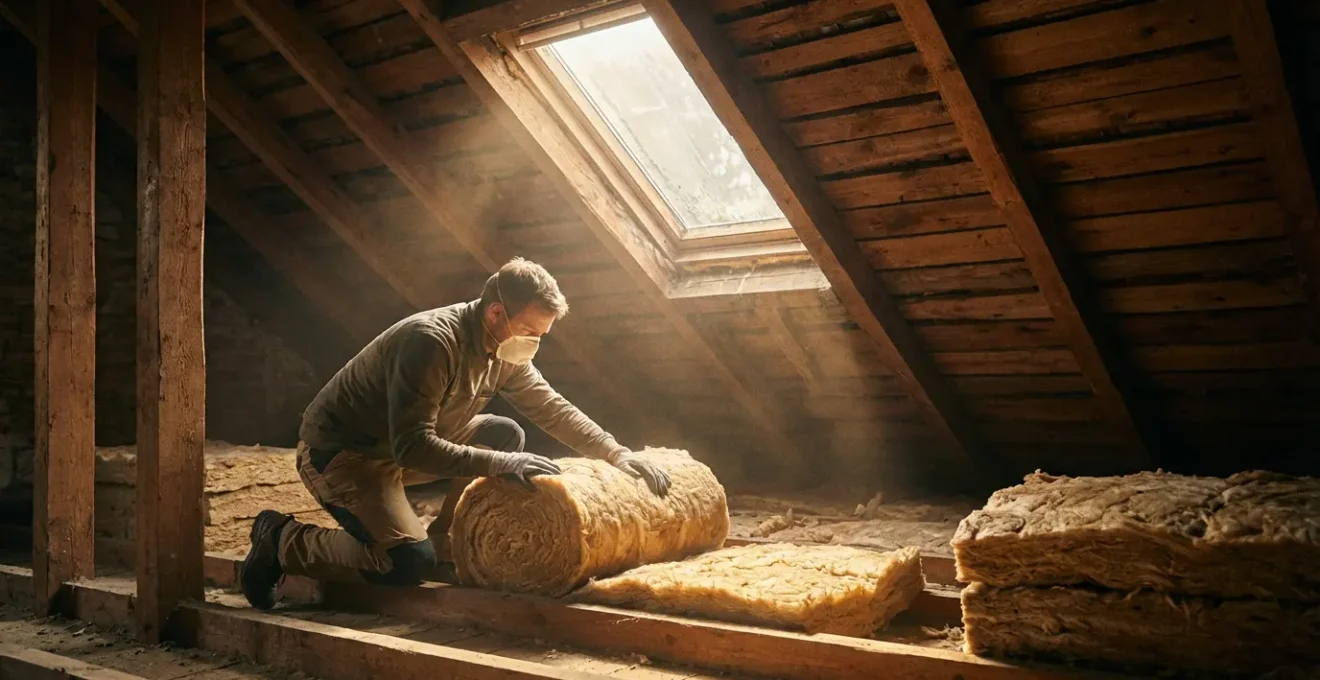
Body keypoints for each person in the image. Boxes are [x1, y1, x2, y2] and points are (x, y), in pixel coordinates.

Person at [238, 257, 670, 609]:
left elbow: (550, 406)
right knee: (405, 563)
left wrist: (616, 453)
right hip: (346, 457)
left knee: (502, 434)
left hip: (403, 447)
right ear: (496, 312)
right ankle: (282, 539)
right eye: (530, 331)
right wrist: (500, 464)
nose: (534, 343)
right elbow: (412, 447)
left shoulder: (504, 347)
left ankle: (451, 544)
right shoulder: (431, 343)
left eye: (541, 336)